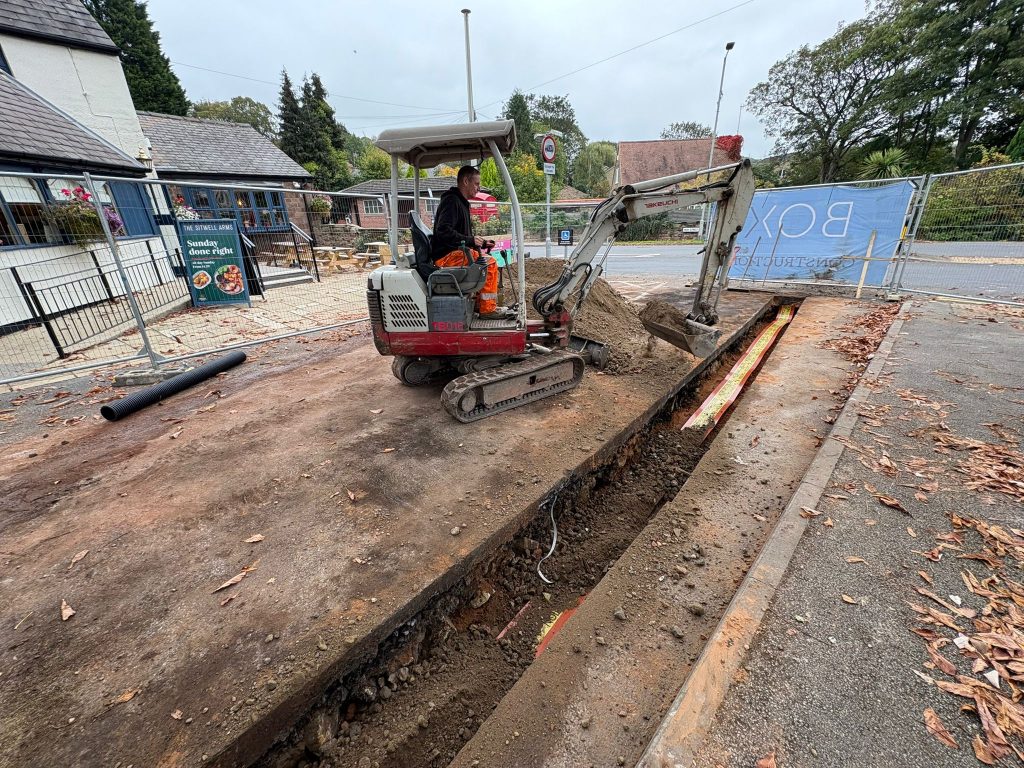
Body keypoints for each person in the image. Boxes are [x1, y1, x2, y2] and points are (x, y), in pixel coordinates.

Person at [431, 165, 508, 319]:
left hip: (454, 252)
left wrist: (480, 243)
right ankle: (487, 310)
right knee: (489, 264)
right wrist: (470, 240)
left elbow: (460, 236)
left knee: (484, 262)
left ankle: (480, 305)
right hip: (446, 256)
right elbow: (443, 231)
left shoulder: (460, 202)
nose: (478, 188)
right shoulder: (451, 202)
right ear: (466, 181)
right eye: (476, 184)